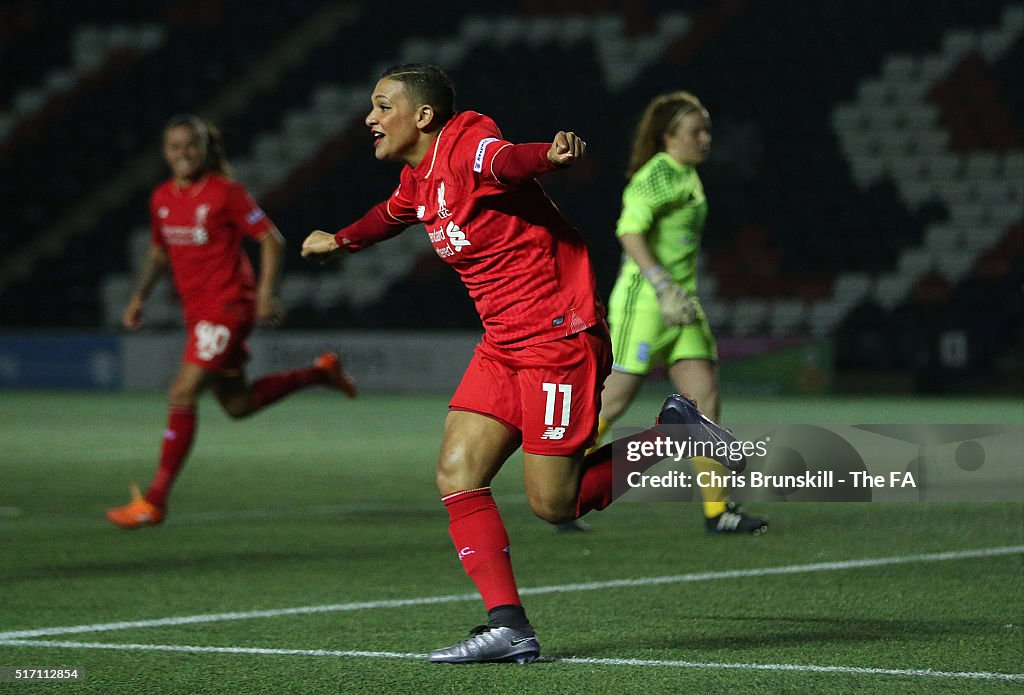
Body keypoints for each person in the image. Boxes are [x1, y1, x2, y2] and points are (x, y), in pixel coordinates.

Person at [301, 64, 744, 664]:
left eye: (382, 106)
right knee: (457, 471)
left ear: (423, 116)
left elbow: (506, 160)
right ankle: (508, 627)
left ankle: (673, 435)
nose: (370, 119)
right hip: (503, 344)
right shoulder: (420, 176)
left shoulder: (466, 143)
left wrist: (549, 157)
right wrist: (342, 240)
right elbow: (393, 213)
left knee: (554, 504)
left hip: (557, 339)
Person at [106, 114, 357, 530]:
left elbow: (271, 239)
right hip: (198, 314)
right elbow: (157, 253)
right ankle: (319, 373)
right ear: (165, 153)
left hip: (226, 308)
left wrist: (263, 296)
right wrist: (138, 298)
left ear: (206, 150)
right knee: (238, 405)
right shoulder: (162, 198)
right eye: (175, 147)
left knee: (182, 392)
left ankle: (154, 501)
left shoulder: (226, 193)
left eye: (192, 145)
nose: (183, 153)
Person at [586, 91, 767, 535]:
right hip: (646, 302)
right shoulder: (657, 174)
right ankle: (568, 486)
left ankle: (717, 511)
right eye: (695, 131)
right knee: (613, 400)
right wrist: (663, 285)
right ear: (668, 136)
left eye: (707, 130)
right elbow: (629, 232)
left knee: (704, 401)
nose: (705, 139)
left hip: (682, 305)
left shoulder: (685, 174)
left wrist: (676, 293)